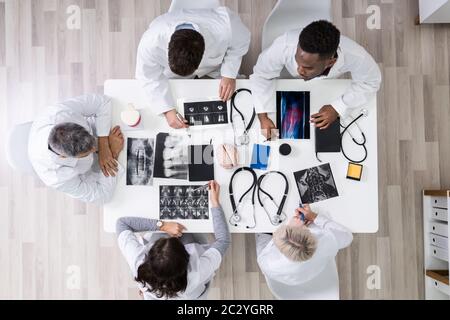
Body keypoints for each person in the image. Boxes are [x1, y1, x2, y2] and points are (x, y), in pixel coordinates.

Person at [250, 20, 382, 139]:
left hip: (324, 87)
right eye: (297, 61)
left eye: (308, 67)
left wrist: (338, 107)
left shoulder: (356, 55)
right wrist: (263, 117)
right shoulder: (284, 45)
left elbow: (371, 82)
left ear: (330, 62)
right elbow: (261, 75)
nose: (299, 70)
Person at [136, 7, 251, 129]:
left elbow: (242, 41)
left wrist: (229, 74)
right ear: (168, 48)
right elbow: (147, 76)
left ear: (203, 51)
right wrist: (166, 110)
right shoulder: (150, 42)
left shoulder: (227, 27)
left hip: (215, 66)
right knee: (175, 95)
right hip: (172, 72)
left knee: (241, 94)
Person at [116, 181, 230, 300]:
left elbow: (121, 224)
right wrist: (215, 203)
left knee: (164, 229)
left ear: (149, 256)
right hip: (189, 292)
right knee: (187, 230)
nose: (174, 237)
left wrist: (162, 225)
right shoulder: (197, 272)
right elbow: (223, 241)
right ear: (187, 257)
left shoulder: (138, 262)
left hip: (154, 292)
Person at [28, 94, 124, 203]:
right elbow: (102, 197)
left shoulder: (60, 113)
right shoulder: (56, 177)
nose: (95, 148)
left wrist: (104, 145)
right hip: (93, 171)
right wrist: (112, 155)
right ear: (63, 156)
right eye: (87, 153)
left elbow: (102, 102)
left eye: (92, 140)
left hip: (105, 138)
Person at [256, 204, 353, 299]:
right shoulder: (325, 241)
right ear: (309, 231)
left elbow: (265, 242)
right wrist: (313, 217)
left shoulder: (269, 263)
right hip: (317, 281)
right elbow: (347, 236)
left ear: (279, 249)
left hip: (293, 287)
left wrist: (288, 226)